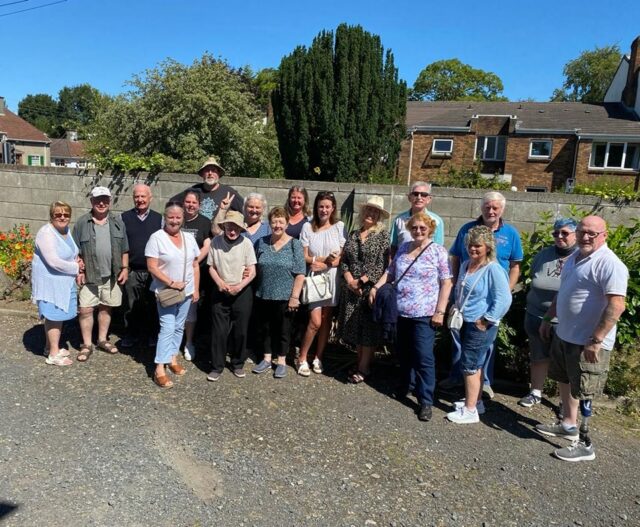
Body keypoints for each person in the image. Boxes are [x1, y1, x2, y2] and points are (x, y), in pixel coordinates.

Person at [535, 216, 628, 462]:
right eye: (582, 231)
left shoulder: (610, 264)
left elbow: (616, 306)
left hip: (589, 343)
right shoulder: (574, 259)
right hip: (565, 334)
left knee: (586, 390)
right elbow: (564, 292)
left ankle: (586, 444)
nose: (585, 237)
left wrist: (596, 339)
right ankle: (568, 424)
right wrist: (548, 318)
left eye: (592, 233)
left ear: (604, 235)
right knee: (565, 381)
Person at [370, 212, 452, 421]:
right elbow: (391, 272)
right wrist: (376, 287)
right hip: (401, 311)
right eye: (414, 227)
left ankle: (425, 400)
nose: (418, 231)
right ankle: (407, 385)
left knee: (424, 357)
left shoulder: (438, 252)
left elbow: (446, 282)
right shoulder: (404, 249)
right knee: (404, 353)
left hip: (425, 314)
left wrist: (440, 311)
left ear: (430, 229)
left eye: (422, 228)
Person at [443, 191, 523, 397]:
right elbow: (455, 258)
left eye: (496, 207)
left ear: (502, 209)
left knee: (484, 342)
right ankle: (456, 378)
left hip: (490, 299)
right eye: (488, 207)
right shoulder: (466, 229)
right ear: (481, 208)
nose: (491, 211)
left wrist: (506, 290)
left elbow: (515, 266)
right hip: (467, 292)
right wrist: (454, 287)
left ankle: (484, 383)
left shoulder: (510, 233)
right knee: (459, 337)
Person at [446, 226, 512, 424]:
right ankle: (476, 402)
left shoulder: (493, 269)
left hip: (480, 324)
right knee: (475, 364)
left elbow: (503, 299)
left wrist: (486, 319)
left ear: (488, 247)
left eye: (477, 246)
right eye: (470, 245)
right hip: (466, 320)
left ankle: (470, 409)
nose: (472, 249)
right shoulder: (466, 264)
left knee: (470, 365)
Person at [518, 218, 577, 407]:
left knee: (565, 365)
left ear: (576, 234)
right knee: (538, 355)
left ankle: (565, 404)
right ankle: (535, 391)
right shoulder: (543, 255)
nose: (559, 236)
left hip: (564, 320)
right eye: (556, 233)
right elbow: (533, 278)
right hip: (536, 314)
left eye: (565, 233)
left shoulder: (581, 257)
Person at [145, 203, 200, 388]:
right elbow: (152, 266)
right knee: (167, 327)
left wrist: (196, 289)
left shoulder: (189, 238)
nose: (175, 221)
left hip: (187, 290)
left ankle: (172, 358)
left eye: (178, 217)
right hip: (167, 291)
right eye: (171, 217)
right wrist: (171, 282)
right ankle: (159, 368)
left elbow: (195, 265)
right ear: (165, 218)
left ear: (182, 218)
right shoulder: (157, 238)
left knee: (179, 327)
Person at [337, 196, 391, 383]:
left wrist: (361, 282)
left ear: (379, 217)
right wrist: (350, 280)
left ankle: (364, 368)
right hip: (350, 289)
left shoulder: (383, 235)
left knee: (368, 331)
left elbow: (382, 265)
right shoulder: (353, 234)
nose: (371, 214)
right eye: (369, 210)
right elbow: (344, 261)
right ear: (363, 212)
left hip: (369, 290)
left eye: (375, 212)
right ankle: (359, 361)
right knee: (356, 331)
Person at [73, 186, 129, 361]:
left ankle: (102, 339)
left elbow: (125, 249)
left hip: (111, 275)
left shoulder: (118, 222)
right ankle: (87, 344)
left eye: (105, 199)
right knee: (85, 309)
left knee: (106, 306)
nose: (101, 203)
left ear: (110, 201)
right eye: (98, 200)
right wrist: (78, 267)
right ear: (92, 202)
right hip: (89, 275)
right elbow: (74, 251)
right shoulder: (82, 223)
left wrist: (125, 269)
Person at [252, 206, 306, 378]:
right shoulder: (261, 242)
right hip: (263, 293)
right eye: (274, 221)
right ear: (270, 223)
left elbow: (300, 273)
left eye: (281, 221)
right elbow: (253, 265)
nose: (277, 225)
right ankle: (267, 358)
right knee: (265, 329)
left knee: (283, 330)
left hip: (285, 297)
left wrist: (294, 297)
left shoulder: (294, 244)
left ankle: (281, 360)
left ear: (287, 223)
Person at [297, 191, 346, 377]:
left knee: (326, 320)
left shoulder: (340, 227)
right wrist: (319, 260)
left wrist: (326, 262)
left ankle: (318, 356)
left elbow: (341, 256)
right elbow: (304, 256)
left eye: (327, 206)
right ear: (316, 207)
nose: (324, 210)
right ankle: (302, 357)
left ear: (333, 208)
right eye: (321, 206)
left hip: (332, 278)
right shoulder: (308, 227)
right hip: (315, 279)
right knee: (315, 321)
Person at [207, 210, 257, 381]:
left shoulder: (247, 244)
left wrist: (239, 286)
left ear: (241, 228)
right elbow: (211, 267)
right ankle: (217, 366)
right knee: (219, 331)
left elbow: (252, 272)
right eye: (229, 226)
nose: (232, 230)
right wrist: (220, 283)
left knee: (241, 330)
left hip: (242, 291)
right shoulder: (215, 242)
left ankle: (237, 364)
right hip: (220, 290)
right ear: (225, 226)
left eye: (236, 227)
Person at [31, 201, 81, 366]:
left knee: (57, 317)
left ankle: (49, 347)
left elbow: (71, 252)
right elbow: (53, 261)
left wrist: (77, 261)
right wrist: (76, 267)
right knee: (53, 317)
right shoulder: (46, 233)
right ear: (51, 216)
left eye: (66, 214)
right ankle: (53, 355)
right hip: (50, 284)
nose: (62, 217)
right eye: (58, 214)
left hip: (63, 282)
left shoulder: (66, 231)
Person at [120, 183, 162, 348]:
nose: (140, 200)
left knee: (153, 304)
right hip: (133, 270)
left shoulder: (160, 219)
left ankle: (153, 334)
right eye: (137, 196)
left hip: (154, 271)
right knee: (131, 305)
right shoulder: (124, 218)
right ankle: (131, 334)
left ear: (150, 198)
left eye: (143, 196)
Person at [180, 189, 213, 361]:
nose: (190, 205)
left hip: (195, 272)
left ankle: (189, 342)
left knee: (191, 310)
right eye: (188, 202)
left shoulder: (204, 222)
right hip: (175, 272)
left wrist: (193, 261)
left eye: (194, 203)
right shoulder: (176, 219)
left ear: (199, 205)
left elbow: (207, 244)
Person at [172, 156, 243, 221]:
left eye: (213, 170)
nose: (210, 173)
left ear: (218, 174)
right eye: (207, 170)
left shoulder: (228, 192)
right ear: (203, 174)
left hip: (218, 233)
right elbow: (172, 203)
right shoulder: (194, 190)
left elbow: (245, 210)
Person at [390, 181, 444, 257]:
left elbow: (439, 250)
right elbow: (393, 247)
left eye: (423, 195)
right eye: (415, 194)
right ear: (409, 197)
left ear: (429, 199)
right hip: (403, 266)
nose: (419, 197)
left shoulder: (437, 221)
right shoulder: (399, 220)